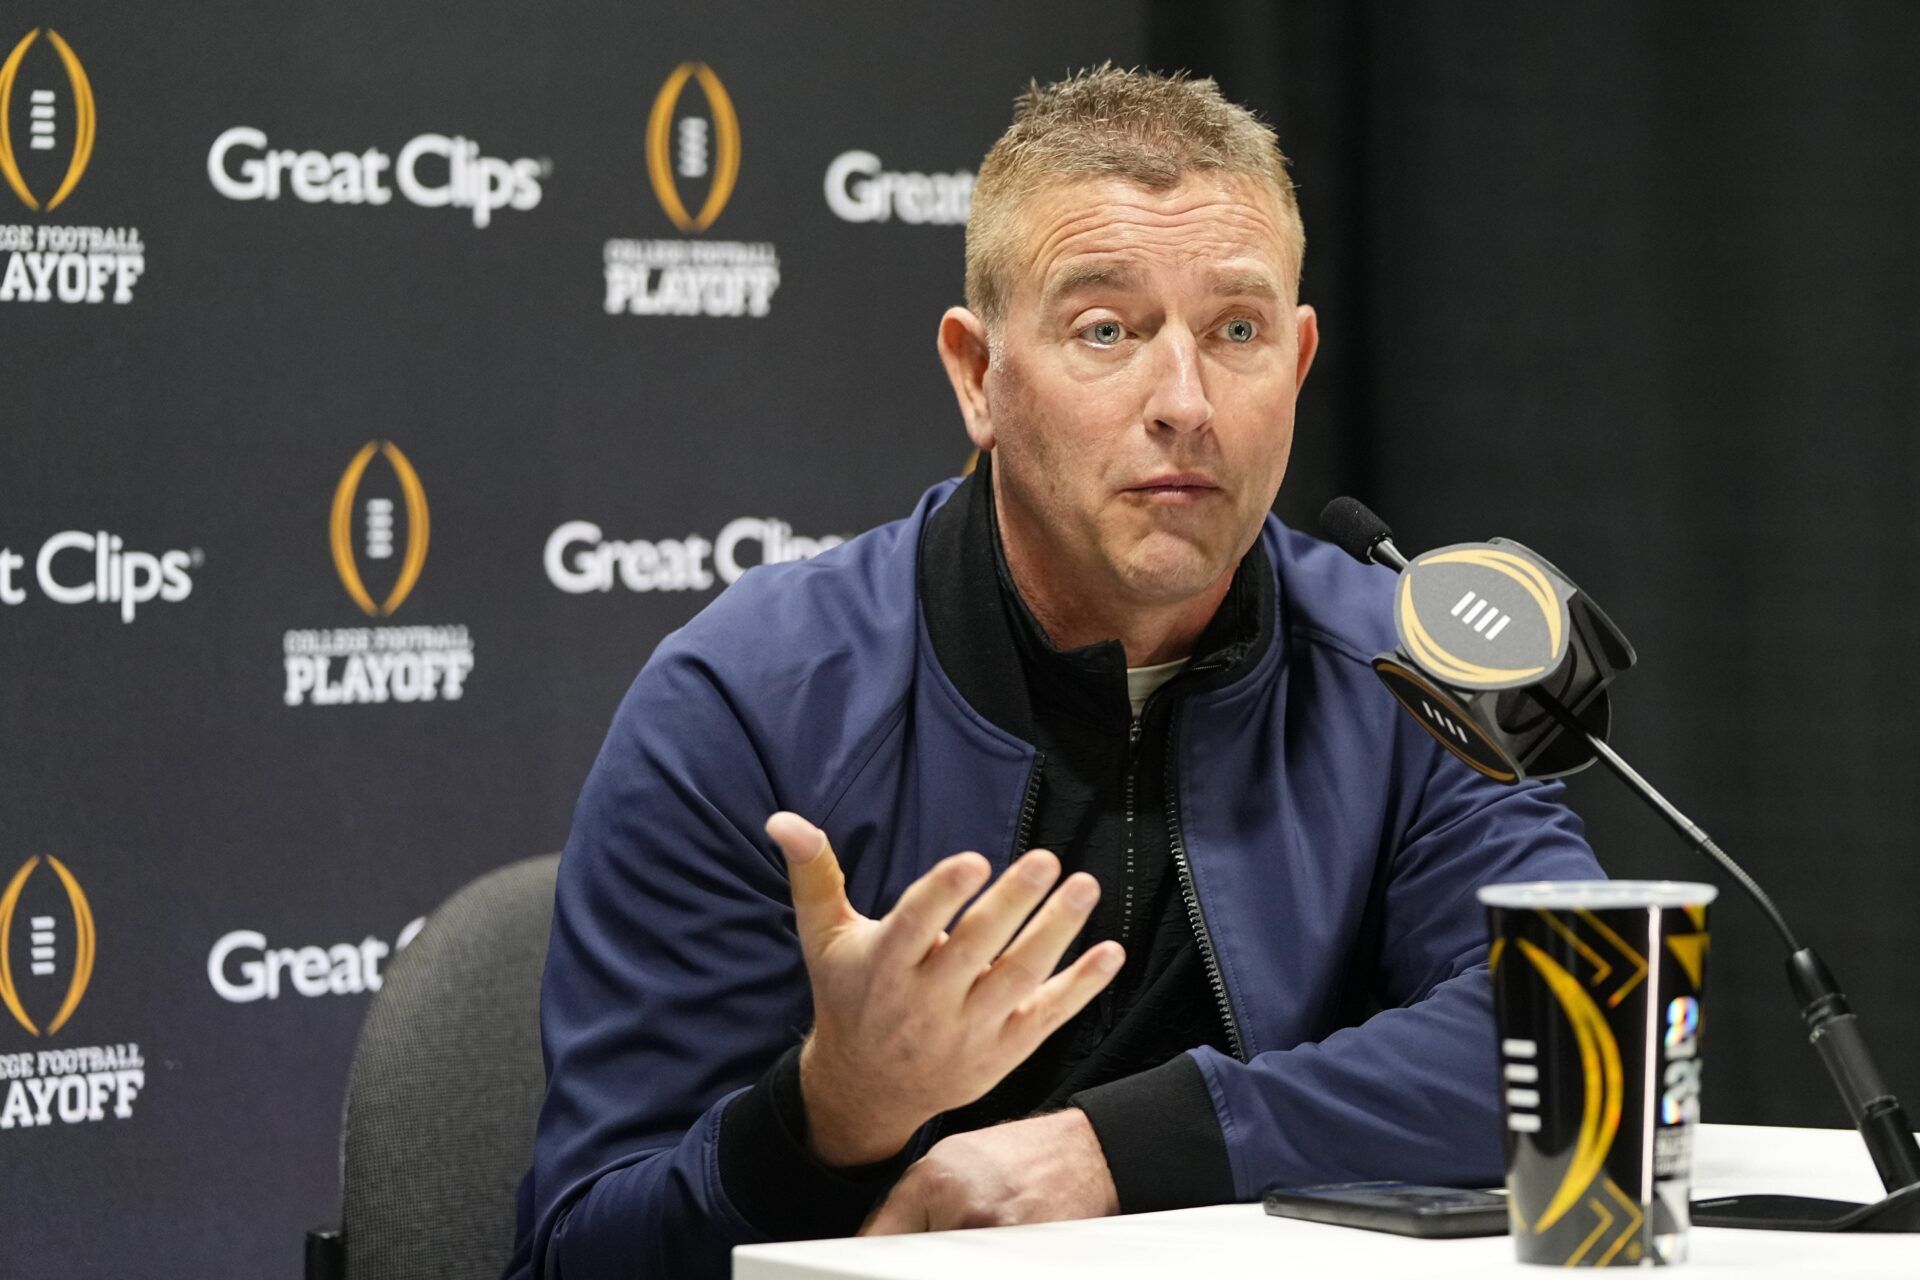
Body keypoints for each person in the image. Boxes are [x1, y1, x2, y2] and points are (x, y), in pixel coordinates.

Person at [504, 65, 1600, 1280]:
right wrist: (826, 1115)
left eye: (1235, 332)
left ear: (1296, 364)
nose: (1184, 401)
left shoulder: (1407, 666)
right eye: (1106, 330)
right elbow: (577, 1253)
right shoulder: (749, 701)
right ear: (978, 376)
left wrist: (1122, 1147)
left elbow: (1577, 1031)